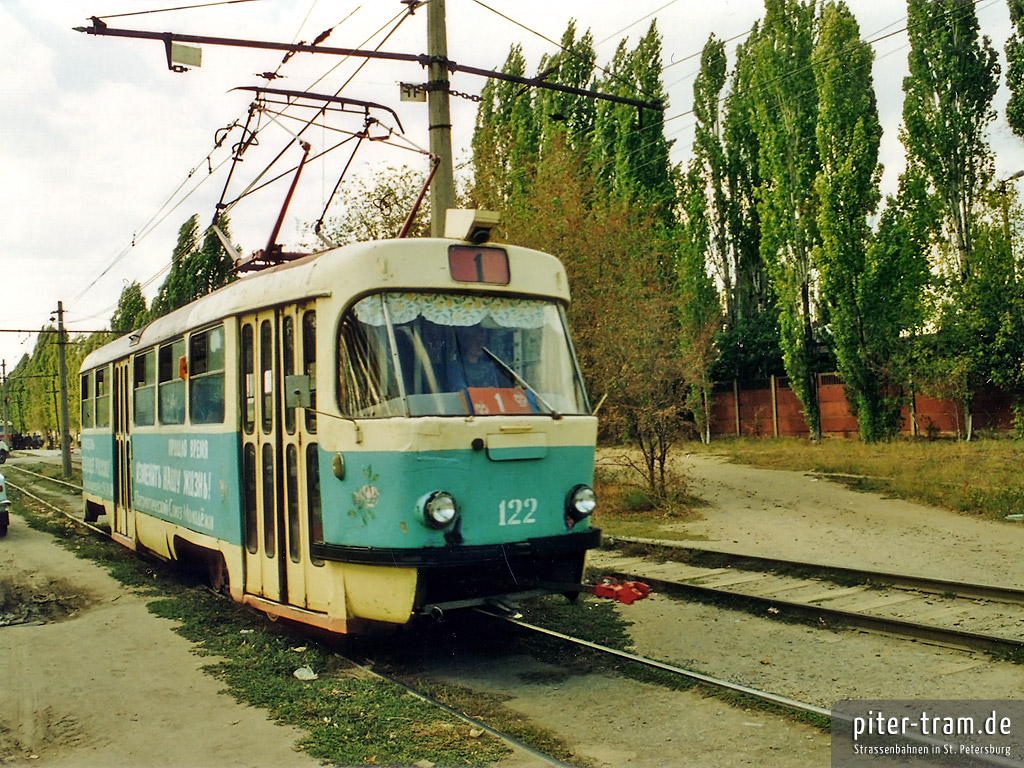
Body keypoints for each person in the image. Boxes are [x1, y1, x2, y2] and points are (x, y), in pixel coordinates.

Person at [450, 324, 503, 389]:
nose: (479, 344)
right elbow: (461, 391)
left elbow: (495, 390)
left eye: (481, 341)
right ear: (464, 342)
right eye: (474, 340)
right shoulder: (456, 367)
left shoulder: (488, 367)